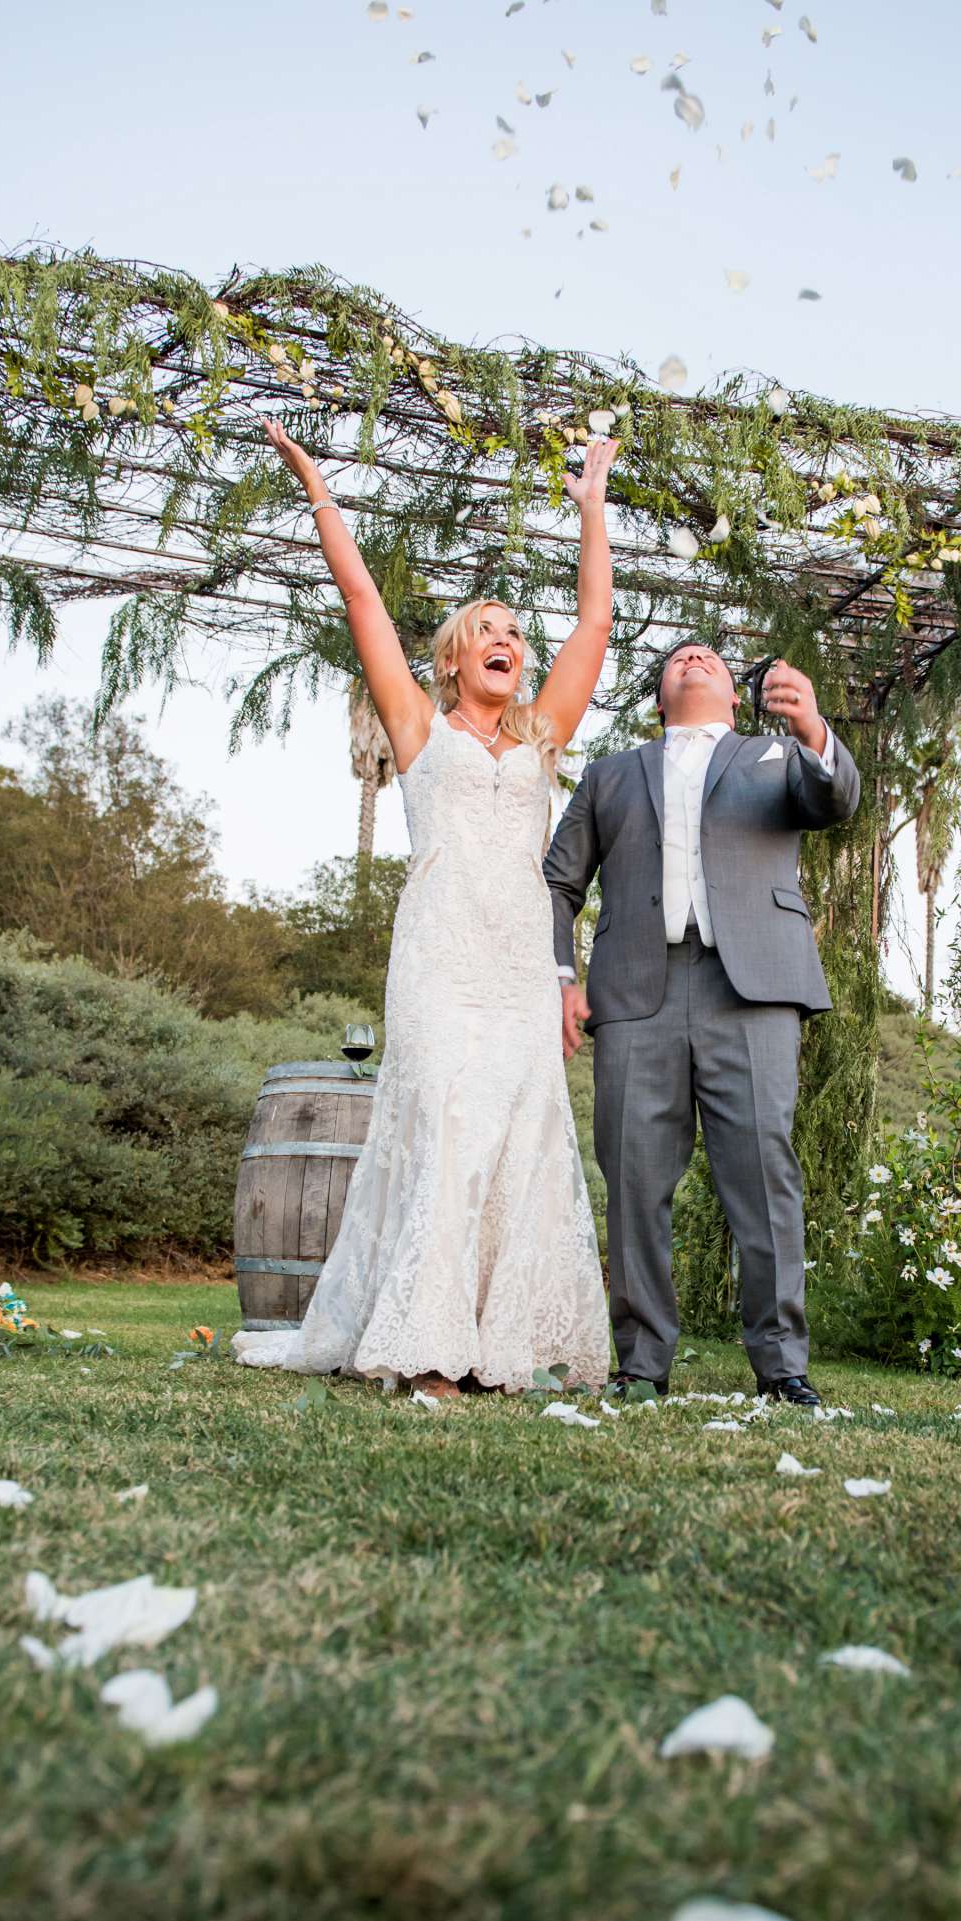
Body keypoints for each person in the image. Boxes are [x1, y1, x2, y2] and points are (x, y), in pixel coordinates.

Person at [231, 419, 617, 1397]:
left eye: (514, 636)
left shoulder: (543, 738)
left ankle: (495, 1346)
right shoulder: (416, 725)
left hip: (520, 966)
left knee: (519, 1138)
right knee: (444, 1128)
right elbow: (359, 593)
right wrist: (315, 484)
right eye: (487, 633)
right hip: (441, 959)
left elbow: (595, 628)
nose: (507, 643)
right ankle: (430, 1351)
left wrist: (592, 508)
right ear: (451, 661)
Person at [543, 637, 860, 1408]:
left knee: (763, 1176)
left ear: (734, 693)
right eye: (678, 658)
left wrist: (814, 729)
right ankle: (640, 1365)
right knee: (633, 1179)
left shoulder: (777, 758)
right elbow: (557, 881)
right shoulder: (609, 775)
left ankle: (783, 1367)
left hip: (750, 990)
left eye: (711, 658)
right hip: (633, 994)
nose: (695, 659)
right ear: (657, 697)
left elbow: (836, 801)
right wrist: (560, 976)